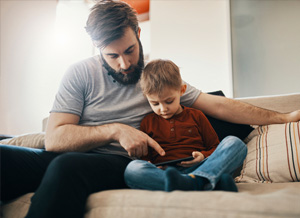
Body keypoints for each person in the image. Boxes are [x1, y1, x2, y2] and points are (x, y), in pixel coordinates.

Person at [0, 0, 299, 218]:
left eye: (129, 50)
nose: (125, 64)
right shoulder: (78, 73)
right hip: (69, 154)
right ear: (96, 48)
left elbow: (219, 105)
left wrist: (283, 117)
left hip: (120, 163)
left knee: (67, 168)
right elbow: (55, 140)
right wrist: (117, 130)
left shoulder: (155, 77)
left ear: (138, 34)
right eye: (112, 55)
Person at [124, 59, 247, 192]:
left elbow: (214, 147)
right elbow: (146, 157)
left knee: (235, 143)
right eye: (155, 104)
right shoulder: (147, 122)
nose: (163, 109)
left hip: (200, 167)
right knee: (133, 169)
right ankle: (205, 182)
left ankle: (194, 180)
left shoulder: (196, 115)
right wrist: (153, 166)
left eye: (169, 101)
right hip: (167, 174)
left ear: (182, 90)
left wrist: (203, 156)